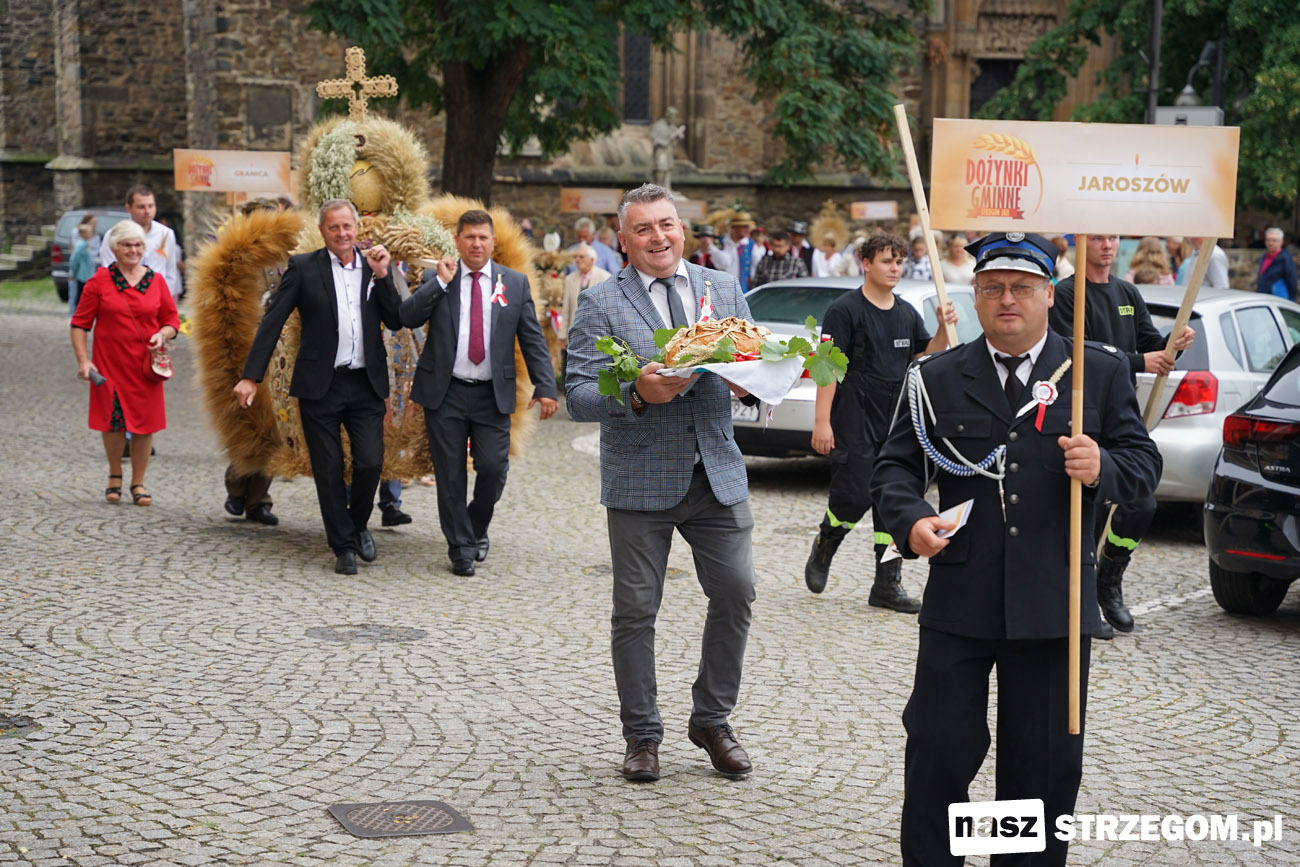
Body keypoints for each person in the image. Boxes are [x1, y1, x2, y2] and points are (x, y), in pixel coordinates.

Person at [870, 231, 1162, 867]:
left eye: (1023, 288)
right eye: (994, 287)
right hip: (961, 598)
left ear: (1049, 295)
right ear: (974, 296)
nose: (1008, 299)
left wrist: (1103, 467)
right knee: (940, 752)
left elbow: (1143, 465)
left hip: (1054, 603)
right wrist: (911, 520)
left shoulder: (1097, 371)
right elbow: (894, 468)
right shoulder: (935, 376)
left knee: (1039, 767)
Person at [566, 183, 760, 784]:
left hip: (716, 472)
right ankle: (642, 735)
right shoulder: (600, 301)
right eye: (644, 228)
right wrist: (635, 393)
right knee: (635, 611)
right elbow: (578, 394)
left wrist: (749, 382)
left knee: (737, 592)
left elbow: (753, 369)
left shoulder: (722, 288)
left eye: (667, 224)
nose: (659, 237)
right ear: (623, 240)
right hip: (640, 478)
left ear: (681, 229)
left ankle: (712, 721)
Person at [234, 199, 402, 576]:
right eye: (333, 227)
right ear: (323, 231)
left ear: (356, 228)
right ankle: (342, 546)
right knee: (328, 469)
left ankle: (357, 525)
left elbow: (394, 319)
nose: (341, 233)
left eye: (347, 226)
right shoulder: (304, 267)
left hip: (366, 384)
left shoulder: (373, 266)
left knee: (370, 462)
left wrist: (383, 277)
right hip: (320, 386)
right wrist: (250, 376)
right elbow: (273, 320)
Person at [399, 209, 558, 577]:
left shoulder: (513, 283)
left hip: (492, 394)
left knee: (493, 468)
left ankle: (474, 528)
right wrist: (439, 283)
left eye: (482, 237)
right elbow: (407, 317)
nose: (476, 243)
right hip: (446, 392)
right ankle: (460, 549)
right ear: (457, 241)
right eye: (469, 237)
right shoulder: (438, 277)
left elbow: (531, 338)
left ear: (492, 242)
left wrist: (546, 386)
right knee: (450, 475)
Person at [1051, 233, 1195, 639]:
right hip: (1081, 413)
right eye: (1098, 238)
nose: (1108, 245)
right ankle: (1081, 601)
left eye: (1113, 237)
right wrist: (1137, 361)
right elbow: (1071, 351)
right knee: (1089, 510)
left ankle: (1109, 577)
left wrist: (1173, 344)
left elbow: (1151, 345)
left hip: (1120, 414)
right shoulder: (1067, 294)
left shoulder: (1127, 292)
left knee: (1140, 502)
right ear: (1081, 243)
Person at [804, 233, 957, 610]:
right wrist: (822, 421)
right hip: (854, 414)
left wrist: (942, 328)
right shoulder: (844, 310)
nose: (895, 268)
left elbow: (925, 356)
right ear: (866, 263)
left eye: (899, 261)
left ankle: (887, 584)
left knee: (896, 497)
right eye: (887, 261)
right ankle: (826, 541)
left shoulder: (906, 312)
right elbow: (826, 365)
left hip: (896, 416)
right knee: (854, 494)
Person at [70, 219, 180, 507]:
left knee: (145, 424)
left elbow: (172, 321)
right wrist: (84, 361)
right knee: (113, 421)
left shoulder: (156, 281)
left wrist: (162, 334)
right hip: (109, 364)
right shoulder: (99, 281)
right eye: (127, 245)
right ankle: (115, 474)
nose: (133, 250)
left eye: (138, 245)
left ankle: (138, 482)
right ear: (115, 248)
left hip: (144, 366)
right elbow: (80, 324)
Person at [100, 185, 184, 300]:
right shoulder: (113, 235)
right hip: (125, 298)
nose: (147, 211)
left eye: (151, 206)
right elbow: (108, 270)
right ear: (128, 208)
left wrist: (163, 299)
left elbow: (170, 272)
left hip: (157, 298)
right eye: (141, 207)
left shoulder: (166, 234)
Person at [559, 243, 611, 354]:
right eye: (576, 257)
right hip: (575, 336)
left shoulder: (605, 277)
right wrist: (562, 335)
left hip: (597, 336)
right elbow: (566, 309)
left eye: (581, 257)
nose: (577, 260)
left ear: (592, 260)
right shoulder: (569, 279)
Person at [68, 218, 98, 318]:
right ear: (84, 234)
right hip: (81, 275)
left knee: (84, 295)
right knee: (80, 295)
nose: (91, 235)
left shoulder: (85, 244)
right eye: (89, 233)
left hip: (86, 275)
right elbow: (74, 260)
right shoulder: (80, 246)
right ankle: (77, 314)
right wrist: (73, 273)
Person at [1257, 227, 1297, 301]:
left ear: (1281, 242)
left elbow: (1292, 280)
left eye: (1274, 240)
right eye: (1268, 240)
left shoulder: (1285, 259)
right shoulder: (1264, 257)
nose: (1270, 243)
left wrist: (1291, 300)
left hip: (1279, 300)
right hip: (1264, 299)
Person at [720, 212, 757, 291]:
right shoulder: (721, 243)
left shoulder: (750, 244)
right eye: (744, 226)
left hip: (743, 290)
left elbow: (755, 267)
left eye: (748, 226)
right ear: (734, 227)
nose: (747, 229)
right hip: (723, 289)